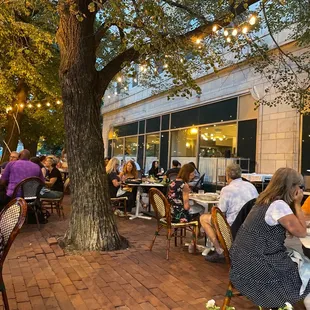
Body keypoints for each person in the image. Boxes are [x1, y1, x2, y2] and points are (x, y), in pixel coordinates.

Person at [230, 168, 310, 309]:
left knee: (299, 258)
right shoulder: (279, 206)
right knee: (307, 271)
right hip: (259, 264)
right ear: (293, 187)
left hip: (242, 260)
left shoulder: (263, 201)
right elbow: (302, 232)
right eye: (300, 186)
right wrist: (297, 203)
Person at [200, 163, 258, 262]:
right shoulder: (251, 186)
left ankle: (220, 250)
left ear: (227, 176)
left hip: (233, 226)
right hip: (251, 223)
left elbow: (220, 213)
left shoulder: (227, 189)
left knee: (203, 218)